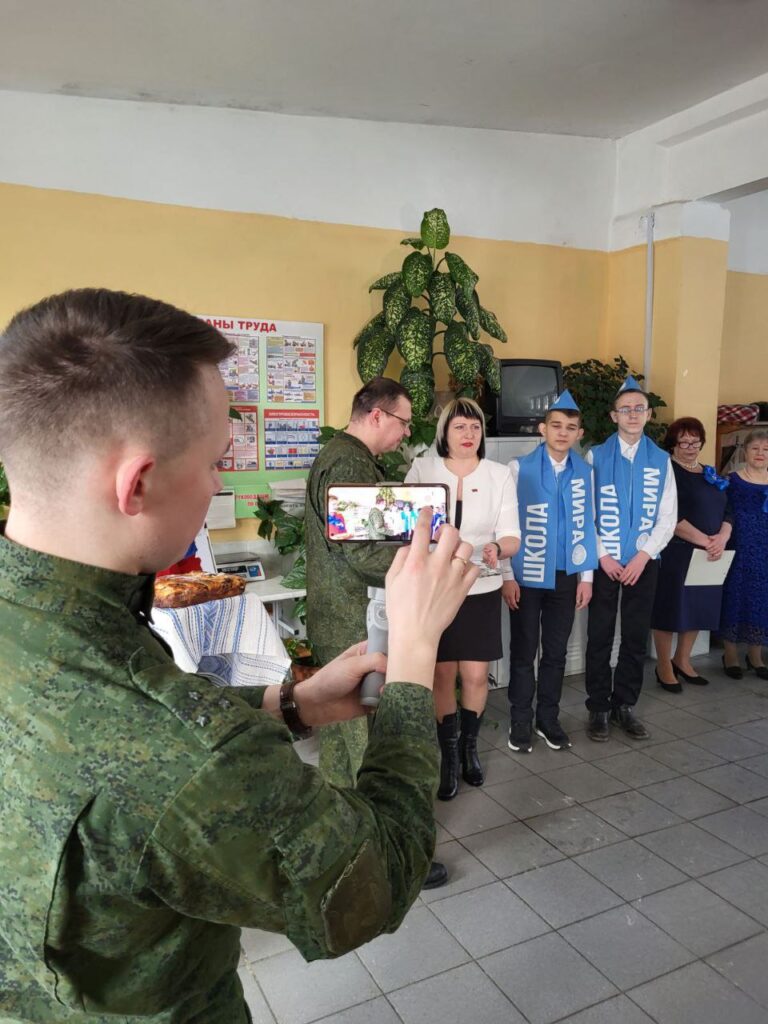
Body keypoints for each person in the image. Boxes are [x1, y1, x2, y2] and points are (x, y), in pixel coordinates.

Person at [0, 288, 479, 1023]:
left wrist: (288, 704)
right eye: (215, 462)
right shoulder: (187, 749)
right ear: (138, 484)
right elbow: (372, 884)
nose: (220, 483)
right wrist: (415, 659)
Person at [405, 397, 520, 798]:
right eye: (459, 427)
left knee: (474, 675)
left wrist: (497, 549)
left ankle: (470, 749)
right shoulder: (422, 468)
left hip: (480, 586)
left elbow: (512, 536)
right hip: (435, 588)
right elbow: (406, 527)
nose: (468, 434)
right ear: (445, 432)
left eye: (475, 427)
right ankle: (448, 756)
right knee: (442, 674)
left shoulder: (499, 475)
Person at [305, 377, 411, 786]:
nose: (406, 433)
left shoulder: (340, 454)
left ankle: (338, 811)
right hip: (352, 618)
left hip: (335, 612)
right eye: (403, 422)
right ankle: (374, 822)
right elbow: (363, 552)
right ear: (377, 415)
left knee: (338, 731)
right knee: (362, 734)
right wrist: (420, 566)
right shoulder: (350, 464)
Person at [502, 390, 598, 753]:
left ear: (579, 433)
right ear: (543, 429)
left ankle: (548, 718)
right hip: (526, 574)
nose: (562, 432)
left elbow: (588, 524)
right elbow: (504, 524)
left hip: (565, 574)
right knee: (524, 651)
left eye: (570, 428)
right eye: (556, 425)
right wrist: (507, 576)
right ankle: (520, 720)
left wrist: (586, 577)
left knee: (556, 652)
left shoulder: (585, 472)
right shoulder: (518, 468)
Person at [584, 376, 677, 741]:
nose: (633, 414)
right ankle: (598, 707)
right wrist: (603, 556)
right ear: (614, 416)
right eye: (626, 409)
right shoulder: (596, 456)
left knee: (636, 637)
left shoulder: (661, 460)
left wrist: (643, 556)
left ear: (649, 414)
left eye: (640, 408)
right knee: (599, 635)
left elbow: (668, 517)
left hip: (643, 561)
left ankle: (624, 705)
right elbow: (586, 513)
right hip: (605, 562)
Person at [651, 417, 732, 692]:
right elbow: (669, 516)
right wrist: (705, 541)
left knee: (698, 607)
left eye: (695, 442)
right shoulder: (667, 472)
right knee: (669, 609)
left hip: (710, 553)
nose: (690, 447)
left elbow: (728, 509)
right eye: (683, 442)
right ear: (672, 445)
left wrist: (722, 537)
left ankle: (682, 660)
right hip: (678, 552)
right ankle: (664, 666)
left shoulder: (709, 472)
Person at [720, 427, 768, 680]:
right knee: (735, 596)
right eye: (755, 448)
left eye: (766, 450)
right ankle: (730, 655)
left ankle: (755, 656)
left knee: (761, 599)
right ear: (745, 452)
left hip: (765, 552)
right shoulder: (731, 481)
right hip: (737, 548)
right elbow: (722, 513)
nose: (761, 453)